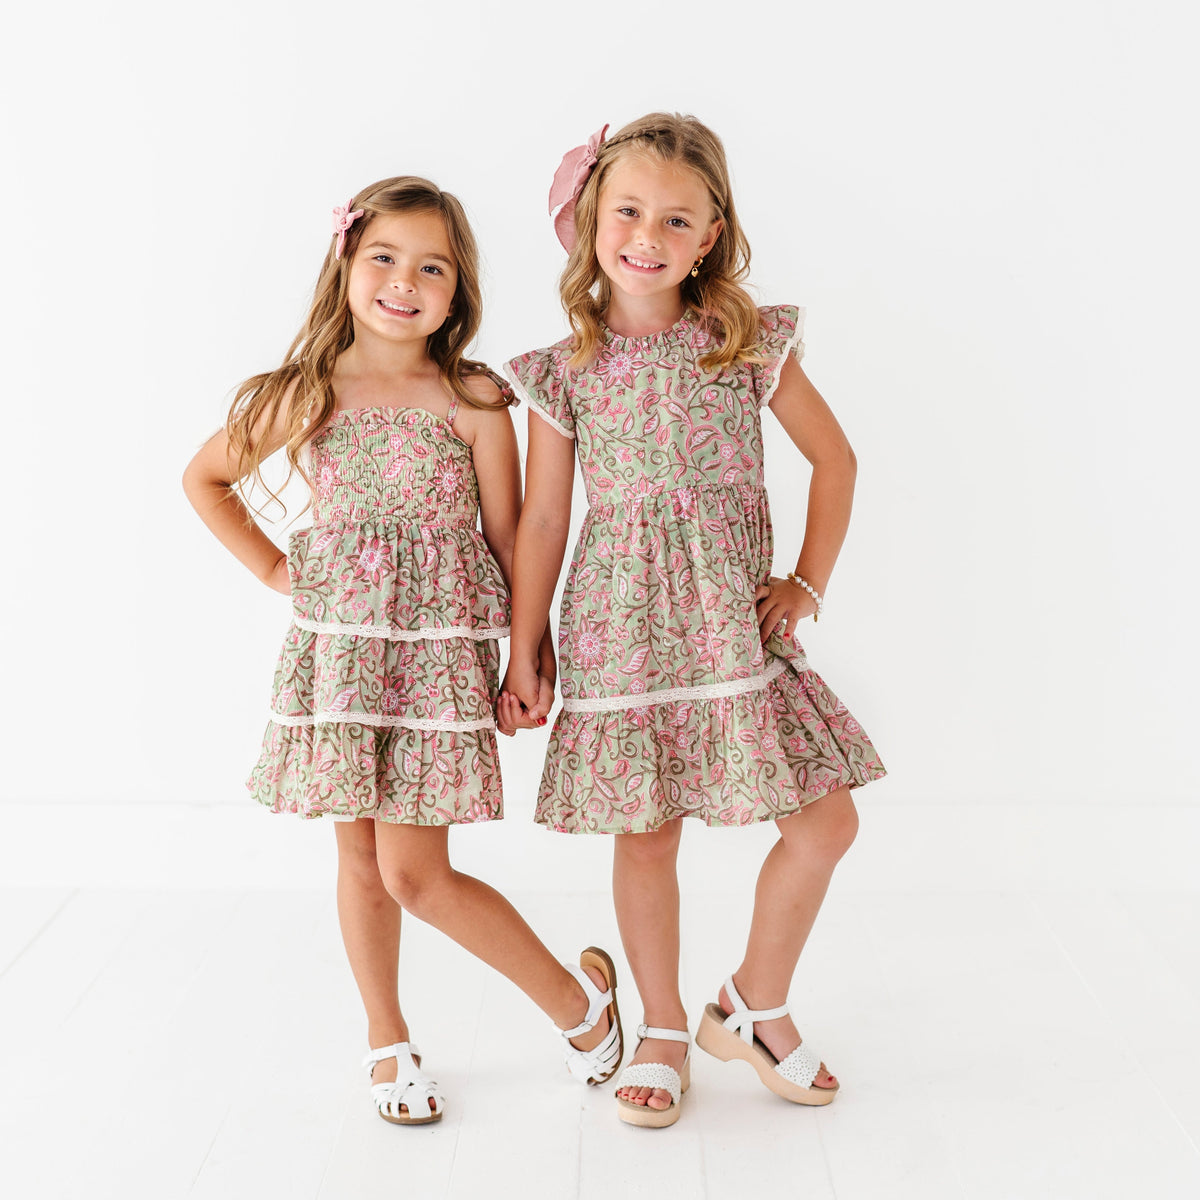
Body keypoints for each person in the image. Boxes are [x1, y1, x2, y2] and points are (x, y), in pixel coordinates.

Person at [182, 176, 622, 1126]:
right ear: (346, 262)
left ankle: (579, 1007)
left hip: (433, 661)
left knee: (415, 874)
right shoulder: (303, 393)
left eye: (431, 266)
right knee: (357, 861)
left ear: (457, 289)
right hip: (344, 658)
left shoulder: (470, 395)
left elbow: (511, 536)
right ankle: (387, 1041)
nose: (403, 281)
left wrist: (526, 652)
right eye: (383, 257)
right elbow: (206, 478)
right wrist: (276, 574)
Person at [498, 116, 886, 1129]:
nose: (648, 234)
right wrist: (524, 645)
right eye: (628, 211)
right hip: (619, 629)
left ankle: (753, 1002)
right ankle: (666, 1026)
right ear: (590, 221)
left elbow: (835, 462)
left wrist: (805, 579)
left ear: (710, 234)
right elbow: (544, 517)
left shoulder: (742, 341)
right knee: (646, 832)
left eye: (677, 218)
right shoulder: (564, 368)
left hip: (732, 625)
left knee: (825, 820)